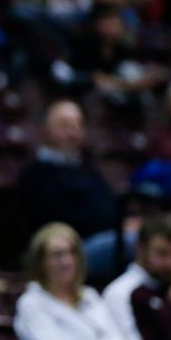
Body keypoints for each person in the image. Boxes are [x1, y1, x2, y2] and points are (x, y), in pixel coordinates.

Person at [16, 99, 118, 273]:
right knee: (136, 242)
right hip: (65, 250)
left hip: (102, 238)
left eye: (78, 125)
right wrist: (114, 223)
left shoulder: (88, 169)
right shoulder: (37, 172)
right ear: (46, 131)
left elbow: (110, 206)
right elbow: (59, 221)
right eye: (65, 125)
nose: (73, 132)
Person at [14, 223, 130, 340]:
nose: (67, 261)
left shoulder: (90, 295)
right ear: (41, 262)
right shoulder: (31, 303)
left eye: (72, 253)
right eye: (57, 255)